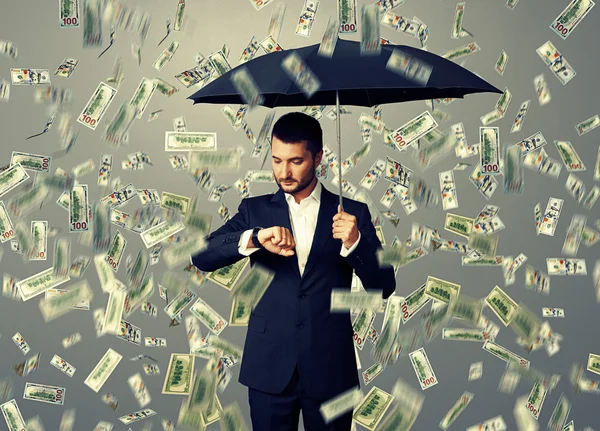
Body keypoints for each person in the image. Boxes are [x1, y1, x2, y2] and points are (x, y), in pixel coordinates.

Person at [191, 111, 396, 431]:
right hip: (268, 367)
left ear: (318, 158)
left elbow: (384, 285)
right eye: (276, 160)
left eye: (295, 161)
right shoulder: (253, 210)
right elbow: (202, 255)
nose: (283, 172)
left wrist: (355, 243)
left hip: (331, 370)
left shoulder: (353, 213)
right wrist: (255, 238)